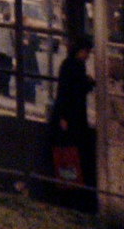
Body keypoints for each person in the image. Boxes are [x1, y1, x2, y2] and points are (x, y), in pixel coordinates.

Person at [49, 35, 96, 205]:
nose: (88, 55)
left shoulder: (72, 65)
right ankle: (69, 187)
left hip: (72, 115)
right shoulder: (73, 66)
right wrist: (63, 117)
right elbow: (66, 91)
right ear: (80, 51)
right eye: (87, 52)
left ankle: (69, 186)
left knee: (70, 153)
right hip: (71, 116)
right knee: (70, 153)